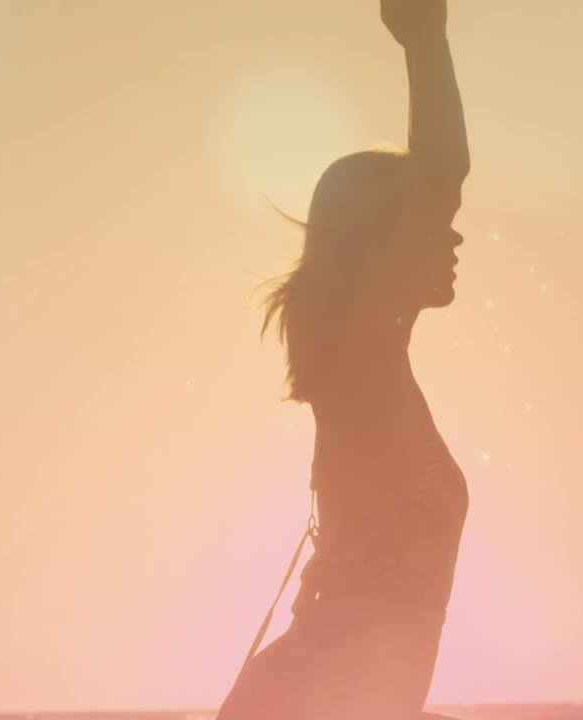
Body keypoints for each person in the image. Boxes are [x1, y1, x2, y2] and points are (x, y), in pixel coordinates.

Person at [215, 1, 470, 718]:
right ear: (382, 246)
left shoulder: (376, 371)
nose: (453, 241)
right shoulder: (362, 368)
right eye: (433, 226)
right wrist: (426, 39)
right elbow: (442, 168)